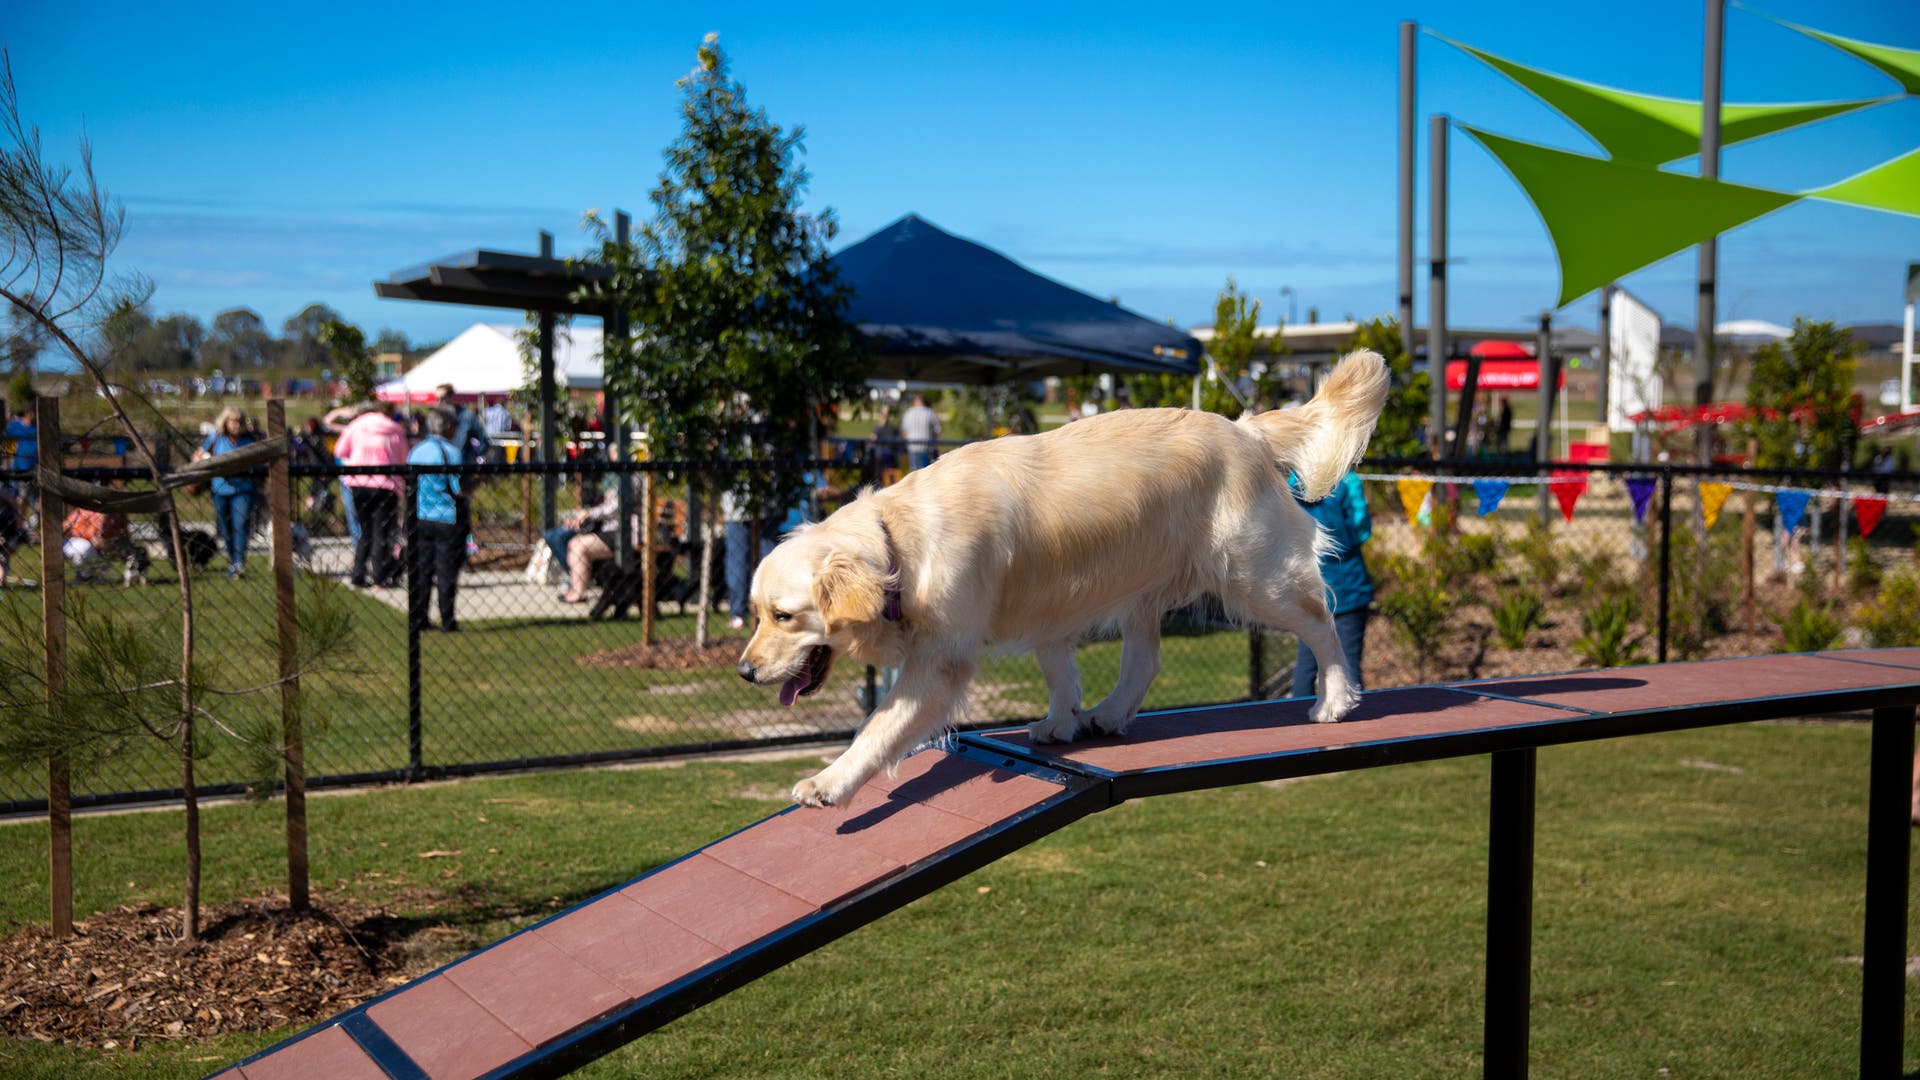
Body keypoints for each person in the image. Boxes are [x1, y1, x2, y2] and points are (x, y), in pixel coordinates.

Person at [1289, 469, 1373, 701]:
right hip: (1349, 585)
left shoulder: (1292, 484)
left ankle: (1298, 714)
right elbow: (1361, 529)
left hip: (1309, 587)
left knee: (1307, 662)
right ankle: (1355, 720)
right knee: (1348, 661)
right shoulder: (1348, 481)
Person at [332, 401, 408, 588]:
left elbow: (340, 450)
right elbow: (404, 458)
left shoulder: (356, 425)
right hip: (386, 485)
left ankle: (358, 574)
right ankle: (379, 576)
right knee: (381, 532)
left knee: (365, 531)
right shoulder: (395, 429)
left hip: (360, 483)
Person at [407, 406, 464, 632]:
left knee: (422, 570)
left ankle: (420, 618)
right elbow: (456, 487)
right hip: (446, 516)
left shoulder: (417, 451)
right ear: (448, 426)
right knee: (445, 571)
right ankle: (447, 619)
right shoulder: (452, 452)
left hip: (420, 516)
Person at [196, 407, 259, 578]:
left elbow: (259, 460)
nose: (236, 425)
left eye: (239, 422)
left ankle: (239, 563)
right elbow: (198, 455)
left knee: (240, 526)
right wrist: (203, 459)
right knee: (226, 529)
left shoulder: (249, 440)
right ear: (225, 422)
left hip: (243, 490)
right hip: (220, 490)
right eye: (232, 421)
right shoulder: (215, 439)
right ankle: (232, 561)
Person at [436, 383, 487, 563]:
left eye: (442, 398)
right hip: (438, 471)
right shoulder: (436, 417)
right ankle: (443, 554)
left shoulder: (466, 417)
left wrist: (467, 458)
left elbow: (484, 443)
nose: (439, 401)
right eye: (437, 398)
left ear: (451, 397)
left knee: (461, 513)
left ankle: (461, 555)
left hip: (460, 472)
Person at [6, 401, 37, 505]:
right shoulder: (15, 426)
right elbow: (8, 449)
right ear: (28, 413)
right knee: (21, 499)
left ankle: (34, 520)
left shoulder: (38, 428)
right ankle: (20, 521)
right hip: (21, 469)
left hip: (37, 468)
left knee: (36, 500)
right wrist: (7, 466)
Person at [900, 393, 941, 471]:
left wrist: (907, 442)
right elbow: (937, 431)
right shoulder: (929, 412)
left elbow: (904, 432)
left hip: (912, 447)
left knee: (914, 473)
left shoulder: (908, 412)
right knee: (925, 472)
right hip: (926, 447)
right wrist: (934, 444)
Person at [868, 405, 902, 486]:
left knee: (885, 473)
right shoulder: (882, 428)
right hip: (886, 455)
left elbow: (872, 440)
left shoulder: (885, 428)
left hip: (885, 455)